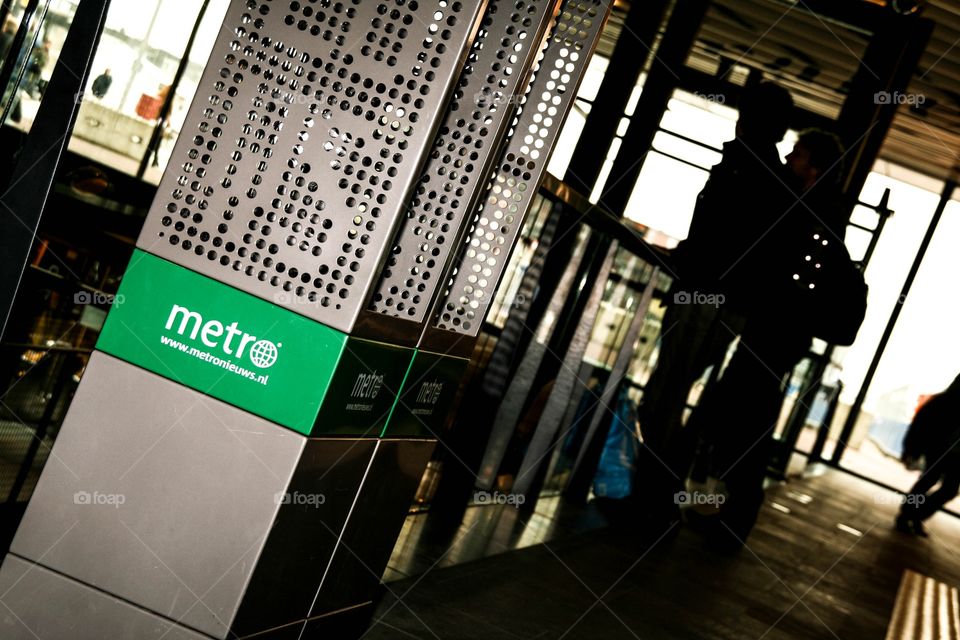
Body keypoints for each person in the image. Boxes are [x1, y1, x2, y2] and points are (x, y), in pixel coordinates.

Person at [631, 81, 795, 524]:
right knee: (674, 393)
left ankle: (654, 496)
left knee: (664, 394)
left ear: (747, 116)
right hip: (724, 303)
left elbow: (717, 240)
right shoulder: (772, 178)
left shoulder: (743, 168)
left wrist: (684, 261)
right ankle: (658, 494)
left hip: (705, 299)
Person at [698, 129, 848, 550]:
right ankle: (732, 513)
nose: (789, 156)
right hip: (776, 331)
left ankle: (736, 517)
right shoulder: (818, 207)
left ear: (814, 167)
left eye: (798, 154)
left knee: (749, 419)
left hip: (776, 332)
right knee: (746, 416)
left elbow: (788, 271)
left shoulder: (817, 211)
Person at [897, 375, 960, 536]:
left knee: (935, 484)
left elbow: (919, 423)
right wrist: (911, 448)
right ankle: (912, 515)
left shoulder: (941, 401)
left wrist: (911, 448)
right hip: (941, 450)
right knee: (939, 485)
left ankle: (911, 515)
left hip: (946, 452)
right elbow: (921, 425)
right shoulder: (943, 402)